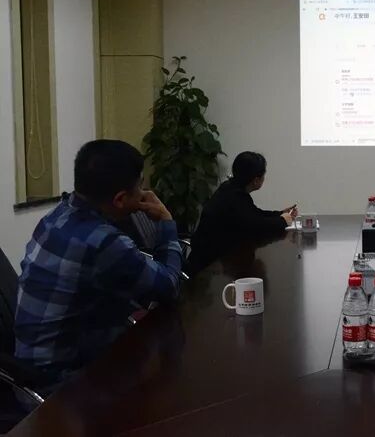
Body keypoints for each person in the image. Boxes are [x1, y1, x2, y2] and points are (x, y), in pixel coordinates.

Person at [15, 140, 182, 385]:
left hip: (32, 364)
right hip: (60, 384)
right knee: (168, 378)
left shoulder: (56, 216)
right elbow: (169, 287)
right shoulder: (103, 242)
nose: (144, 193)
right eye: (140, 186)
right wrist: (166, 223)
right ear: (120, 199)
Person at [186, 152, 297, 276]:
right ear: (256, 180)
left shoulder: (231, 189)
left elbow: (254, 214)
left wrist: (280, 214)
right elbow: (256, 226)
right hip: (208, 268)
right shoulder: (234, 197)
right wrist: (282, 221)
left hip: (217, 259)